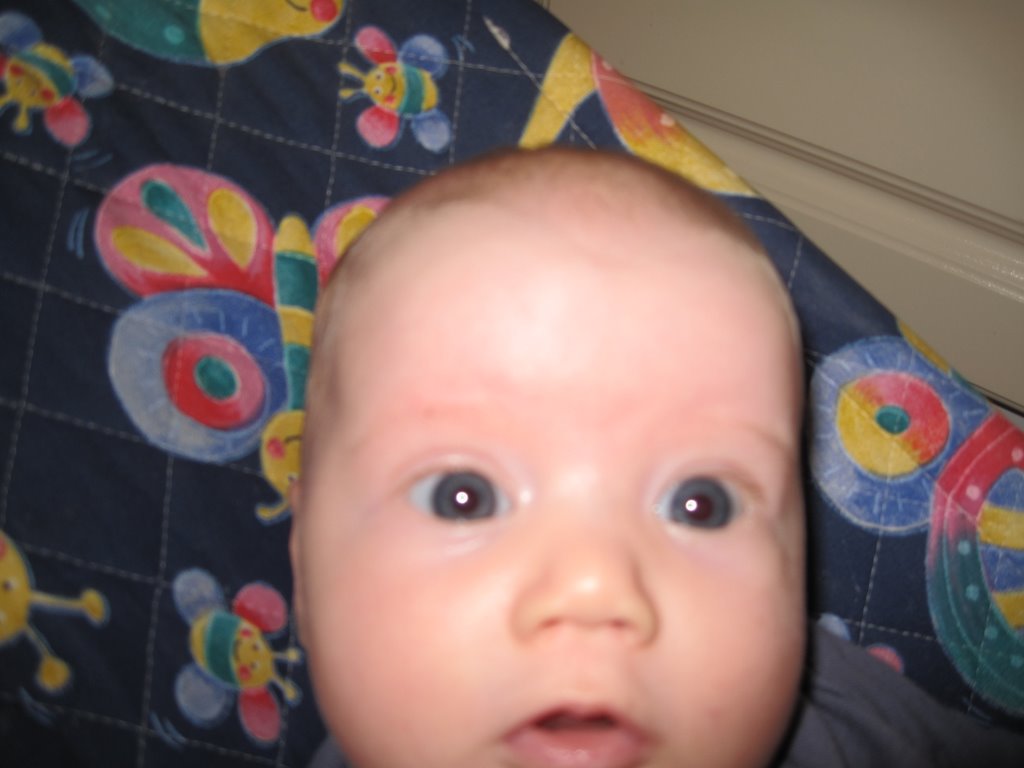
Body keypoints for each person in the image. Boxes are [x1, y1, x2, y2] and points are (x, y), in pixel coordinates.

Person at [289, 147, 1023, 768]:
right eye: (463, 496)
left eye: (701, 504)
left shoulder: (863, 734)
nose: (594, 585)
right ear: (305, 570)